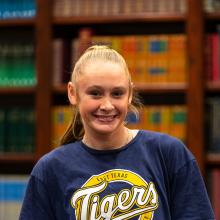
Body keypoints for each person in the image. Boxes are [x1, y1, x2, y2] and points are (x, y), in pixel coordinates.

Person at [19, 45, 214, 220]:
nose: (107, 105)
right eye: (95, 93)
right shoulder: (49, 170)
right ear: (72, 93)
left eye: (117, 93)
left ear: (129, 94)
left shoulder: (169, 154)